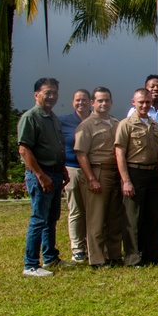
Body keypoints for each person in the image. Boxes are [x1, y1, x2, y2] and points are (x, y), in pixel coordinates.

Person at [18, 78, 68, 277]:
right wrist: (40, 175)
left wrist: (61, 169)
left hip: (55, 173)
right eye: (47, 92)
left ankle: (50, 257)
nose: (52, 96)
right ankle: (31, 264)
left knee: (51, 218)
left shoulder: (52, 117)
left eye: (55, 92)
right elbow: (24, 149)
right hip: (41, 175)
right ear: (36, 94)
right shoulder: (31, 117)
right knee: (39, 219)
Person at [115, 88, 158, 267]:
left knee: (153, 215)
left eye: (148, 102)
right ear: (133, 102)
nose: (144, 105)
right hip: (135, 172)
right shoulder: (126, 124)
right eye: (141, 102)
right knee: (133, 217)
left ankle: (152, 254)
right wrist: (126, 180)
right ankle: (133, 257)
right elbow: (119, 153)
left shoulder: (153, 125)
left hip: (152, 173)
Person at [73, 87, 123, 267]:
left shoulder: (116, 123)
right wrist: (92, 179)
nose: (104, 104)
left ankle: (114, 254)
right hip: (97, 171)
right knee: (96, 218)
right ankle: (97, 258)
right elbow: (81, 154)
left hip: (115, 172)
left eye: (107, 100)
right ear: (92, 103)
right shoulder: (86, 125)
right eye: (100, 101)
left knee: (114, 216)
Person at [126, 74, 158, 252]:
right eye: (152, 86)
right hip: (141, 163)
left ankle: (157, 244)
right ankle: (139, 245)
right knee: (141, 207)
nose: (156, 89)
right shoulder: (134, 113)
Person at [59, 89, 91, 263]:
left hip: (93, 170)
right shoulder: (64, 122)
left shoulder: (97, 120)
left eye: (84, 100)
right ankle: (78, 248)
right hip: (72, 168)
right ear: (73, 102)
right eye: (78, 100)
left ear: (90, 102)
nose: (81, 103)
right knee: (76, 210)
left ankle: (92, 246)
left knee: (92, 211)